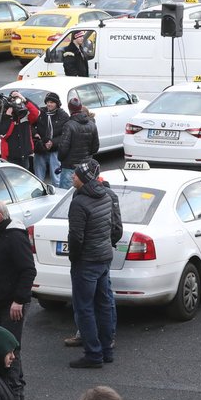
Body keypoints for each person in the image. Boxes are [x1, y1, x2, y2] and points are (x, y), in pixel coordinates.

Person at [67, 159, 122, 369]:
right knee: (104, 304)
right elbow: (114, 228)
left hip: (87, 261)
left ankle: (93, 354)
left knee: (84, 308)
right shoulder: (106, 196)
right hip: (103, 257)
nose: (73, 177)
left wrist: (74, 257)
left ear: (83, 179)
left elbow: (75, 237)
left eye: (76, 175)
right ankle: (107, 350)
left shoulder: (79, 202)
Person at [0, 200, 35, 400]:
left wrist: (19, 300)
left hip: (12, 304)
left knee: (9, 347)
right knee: (3, 346)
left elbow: (28, 270)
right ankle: (11, 388)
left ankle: (14, 394)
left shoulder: (13, 237)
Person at [56, 98, 99, 189]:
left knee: (66, 196)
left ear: (69, 109)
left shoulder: (69, 125)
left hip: (70, 167)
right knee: (86, 193)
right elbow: (95, 148)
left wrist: (62, 160)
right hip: (86, 167)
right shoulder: (92, 125)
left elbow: (63, 149)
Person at [0, 91, 39, 169]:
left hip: (24, 154)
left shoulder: (24, 114)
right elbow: (2, 132)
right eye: (13, 99)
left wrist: (25, 100)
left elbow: (36, 113)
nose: (15, 102)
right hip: (10, 156)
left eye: (17, 99)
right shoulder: (3, 116)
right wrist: (8, 116)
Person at [32, 92, 69, 185]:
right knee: (38, 178)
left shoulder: (63, 116)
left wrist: (53, 142)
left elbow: (65, 135)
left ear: (57, 103)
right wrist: (35, 133)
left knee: (56, 179)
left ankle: (58, 196)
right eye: (47, 102)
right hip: (40, 149)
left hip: (55, 151)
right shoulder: (40, 113)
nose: (49, 104)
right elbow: (30, 125)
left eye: (52, 102)